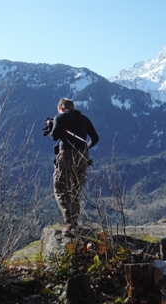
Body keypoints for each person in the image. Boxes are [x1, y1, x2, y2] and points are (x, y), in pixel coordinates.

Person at [48, 97, 99, 236]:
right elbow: (95, 138)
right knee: (75, 190)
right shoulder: (84, 119)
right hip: (83, 156)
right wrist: (84, 149)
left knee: (61, 189)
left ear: (62, 108)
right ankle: (75, 222)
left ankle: (70, 224)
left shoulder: (60, 117)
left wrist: (53, 124)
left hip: (66, 156)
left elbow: (54, 136)